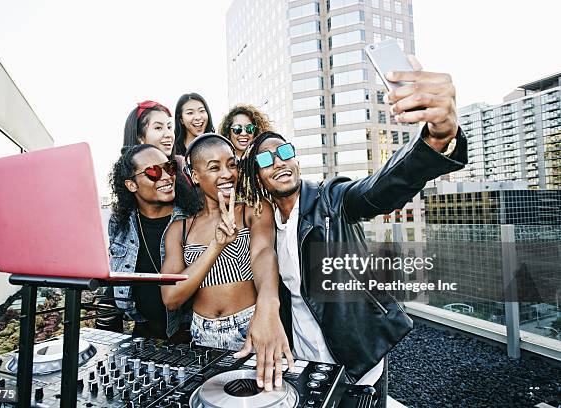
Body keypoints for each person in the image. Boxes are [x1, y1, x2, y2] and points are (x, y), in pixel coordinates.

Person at [235, 61, 467, 407]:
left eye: (285, 152)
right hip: (305, 359)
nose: (280, 162)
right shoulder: (265, 226)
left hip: (357, 356)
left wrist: (437, 138)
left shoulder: (331, 199)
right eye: (267, 160)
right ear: (257, 177)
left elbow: (382, 187)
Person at [161, 133, 294, 391]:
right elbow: (171, 297)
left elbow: (263, 253)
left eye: (231, 164)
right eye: (214, 167)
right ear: (195, 177)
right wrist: (217, 245)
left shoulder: (254, 210)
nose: (227, 174)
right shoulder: (179, 230)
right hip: (201, 334)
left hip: (252, 327)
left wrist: (268, 306)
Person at [108, 144, 200, 339]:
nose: (166, 176)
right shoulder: (120, 223)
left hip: (189, 334)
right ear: (131, 185)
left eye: (169, 167)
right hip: (142, 334)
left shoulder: (192, 219)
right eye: (153, 171)